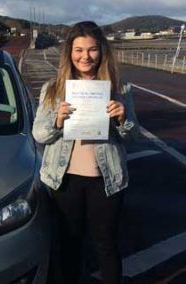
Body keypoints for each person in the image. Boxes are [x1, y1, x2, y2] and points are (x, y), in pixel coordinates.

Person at [32, 21, 139, 284]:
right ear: (69, 52)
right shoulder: (53, 89)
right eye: (79, 50)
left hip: (106, 179)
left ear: (101, 51)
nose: (85, 56)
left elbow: (134, 137)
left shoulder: (120, 89)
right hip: (63, 179)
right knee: (69, 244)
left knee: (106, 244)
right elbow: (39, 135)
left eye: (92, 50)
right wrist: (57, 121)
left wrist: (123, 119)